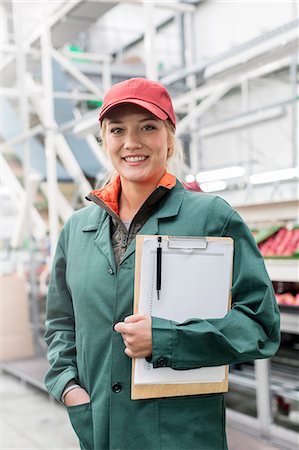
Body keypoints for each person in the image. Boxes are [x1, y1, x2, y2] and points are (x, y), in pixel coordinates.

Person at [44, 77, 280, 450]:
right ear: (104, 140)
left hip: (180, 434)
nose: (131, 142)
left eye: (148, 127)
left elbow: (259, 325)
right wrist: (69, 387)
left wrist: (167, 338)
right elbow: (61, 322)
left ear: (169, 138)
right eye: (117, 130)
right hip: (99, 427)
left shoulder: (211, 219)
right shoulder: (77, 229)